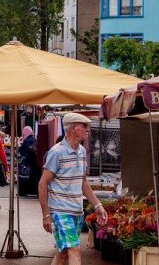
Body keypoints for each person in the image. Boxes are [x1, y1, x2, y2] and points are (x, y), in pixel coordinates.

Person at [39, 113, 108, 265]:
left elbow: (83, 182)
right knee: (75, 250)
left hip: (77, 211)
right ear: (72, 128)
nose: (87, 129)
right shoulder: (56, 152)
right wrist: (46, 215)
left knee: (63, 253)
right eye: (84, 126)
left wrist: (98, 205)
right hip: (60, 211)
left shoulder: (82, 151)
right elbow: (42, 183)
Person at [17, 126, 39, 196]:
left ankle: (24, 192)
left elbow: (21, 151)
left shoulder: (26, 141)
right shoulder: (34, 139)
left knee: (24, 177)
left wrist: (18, 143)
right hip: (34, 163)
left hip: (27, 163)